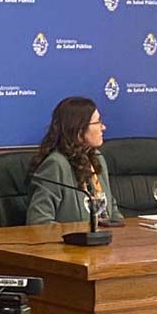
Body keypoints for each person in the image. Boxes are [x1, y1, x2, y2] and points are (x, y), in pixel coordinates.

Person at [26, 96, 122, 224]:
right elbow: (38, 221)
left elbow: (111, 208)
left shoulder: (97, 158)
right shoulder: (56, 164)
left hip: (105, 240)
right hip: (70, 243)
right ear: (79, 130)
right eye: (97, 122)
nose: (103, 127)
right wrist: (75, 234)